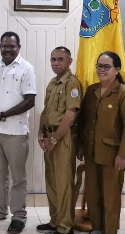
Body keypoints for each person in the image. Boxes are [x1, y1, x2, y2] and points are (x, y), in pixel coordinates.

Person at [0, 32, 37, 234]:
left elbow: (30, 101)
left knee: (18, 177)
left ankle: (19, 216)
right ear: (0, 46)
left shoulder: (26, 68)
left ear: (18, 47)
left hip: (16, 132)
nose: (8, 49)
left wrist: (3, 115)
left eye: (12, 46)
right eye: (4, 46)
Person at [78, 51, 125, 234]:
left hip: (112, 156)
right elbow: (84, 121)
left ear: (117, 70)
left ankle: (110, 231)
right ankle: (97, 228)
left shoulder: (124, 94)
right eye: (99, 66)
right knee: (93, 194)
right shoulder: (92, 90)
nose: (101, 70)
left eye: (106, 66)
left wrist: (123, 155)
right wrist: (81, 145)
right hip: (92, 151)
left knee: (110, 197)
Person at [35, 46, 82, 234]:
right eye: (53, 59)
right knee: (52, 182)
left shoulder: (72, 84)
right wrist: (41, 132)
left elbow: (70, 116)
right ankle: (55, 221)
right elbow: (46, 111)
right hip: (49, 137)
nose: (56, 63)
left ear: (69, 61)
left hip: (62, 139)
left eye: (60, 59)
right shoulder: (53, 83)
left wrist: (54, 139)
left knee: (63, 184)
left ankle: (65, 227)